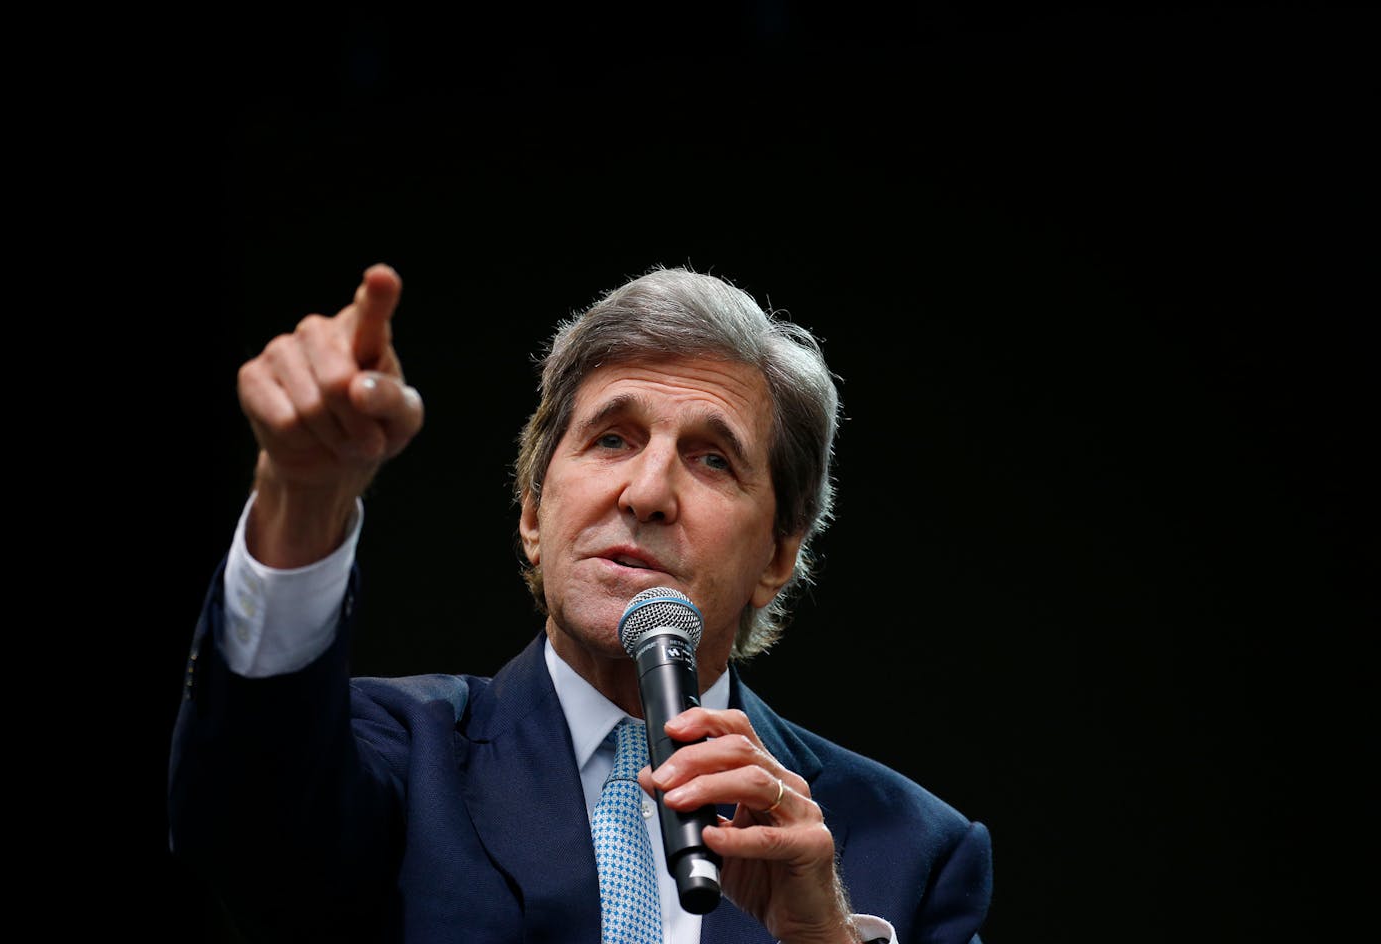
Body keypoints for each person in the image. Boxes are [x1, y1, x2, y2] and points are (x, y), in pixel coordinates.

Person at [168, 263, 993, 943]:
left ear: (779, 555)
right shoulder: (394, 759)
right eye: (612, 439)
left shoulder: (911, 851)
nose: (648, 492)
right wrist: (302, 498)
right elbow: (241, 816)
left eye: (711, 460)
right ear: (533, 514)